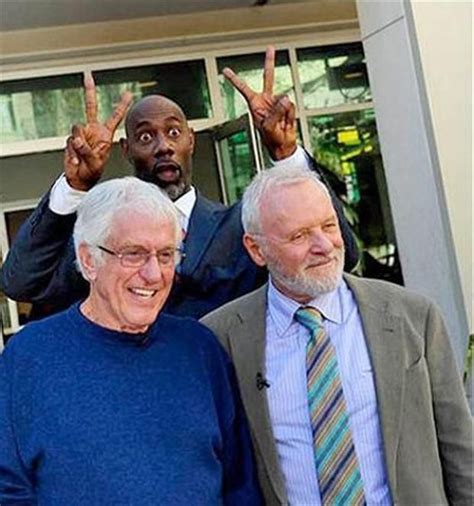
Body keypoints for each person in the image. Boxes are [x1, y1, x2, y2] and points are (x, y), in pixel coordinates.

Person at [0, 47, 358, 321]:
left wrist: (287, 154)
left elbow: (343, 258)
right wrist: (74, 187)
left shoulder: (240, 227)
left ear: (191, 141)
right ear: (125, 151)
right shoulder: (100, 237)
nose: (163, 145)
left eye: (173, 132)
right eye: (145, 136)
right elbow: (19, 283)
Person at [201, 163, 473, 505]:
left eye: (329, 226)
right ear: (256, 249)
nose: (324, 246)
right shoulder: (221, 337)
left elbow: (460, 449)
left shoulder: (412, 317)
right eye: (299, 235)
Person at [0, 177, 262, 505]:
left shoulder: (200, 349)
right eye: (133, 254)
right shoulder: (28, 357)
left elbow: (240, 485)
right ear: (88, 260)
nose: (153, 274)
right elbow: (7, 487)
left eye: (166, 255)